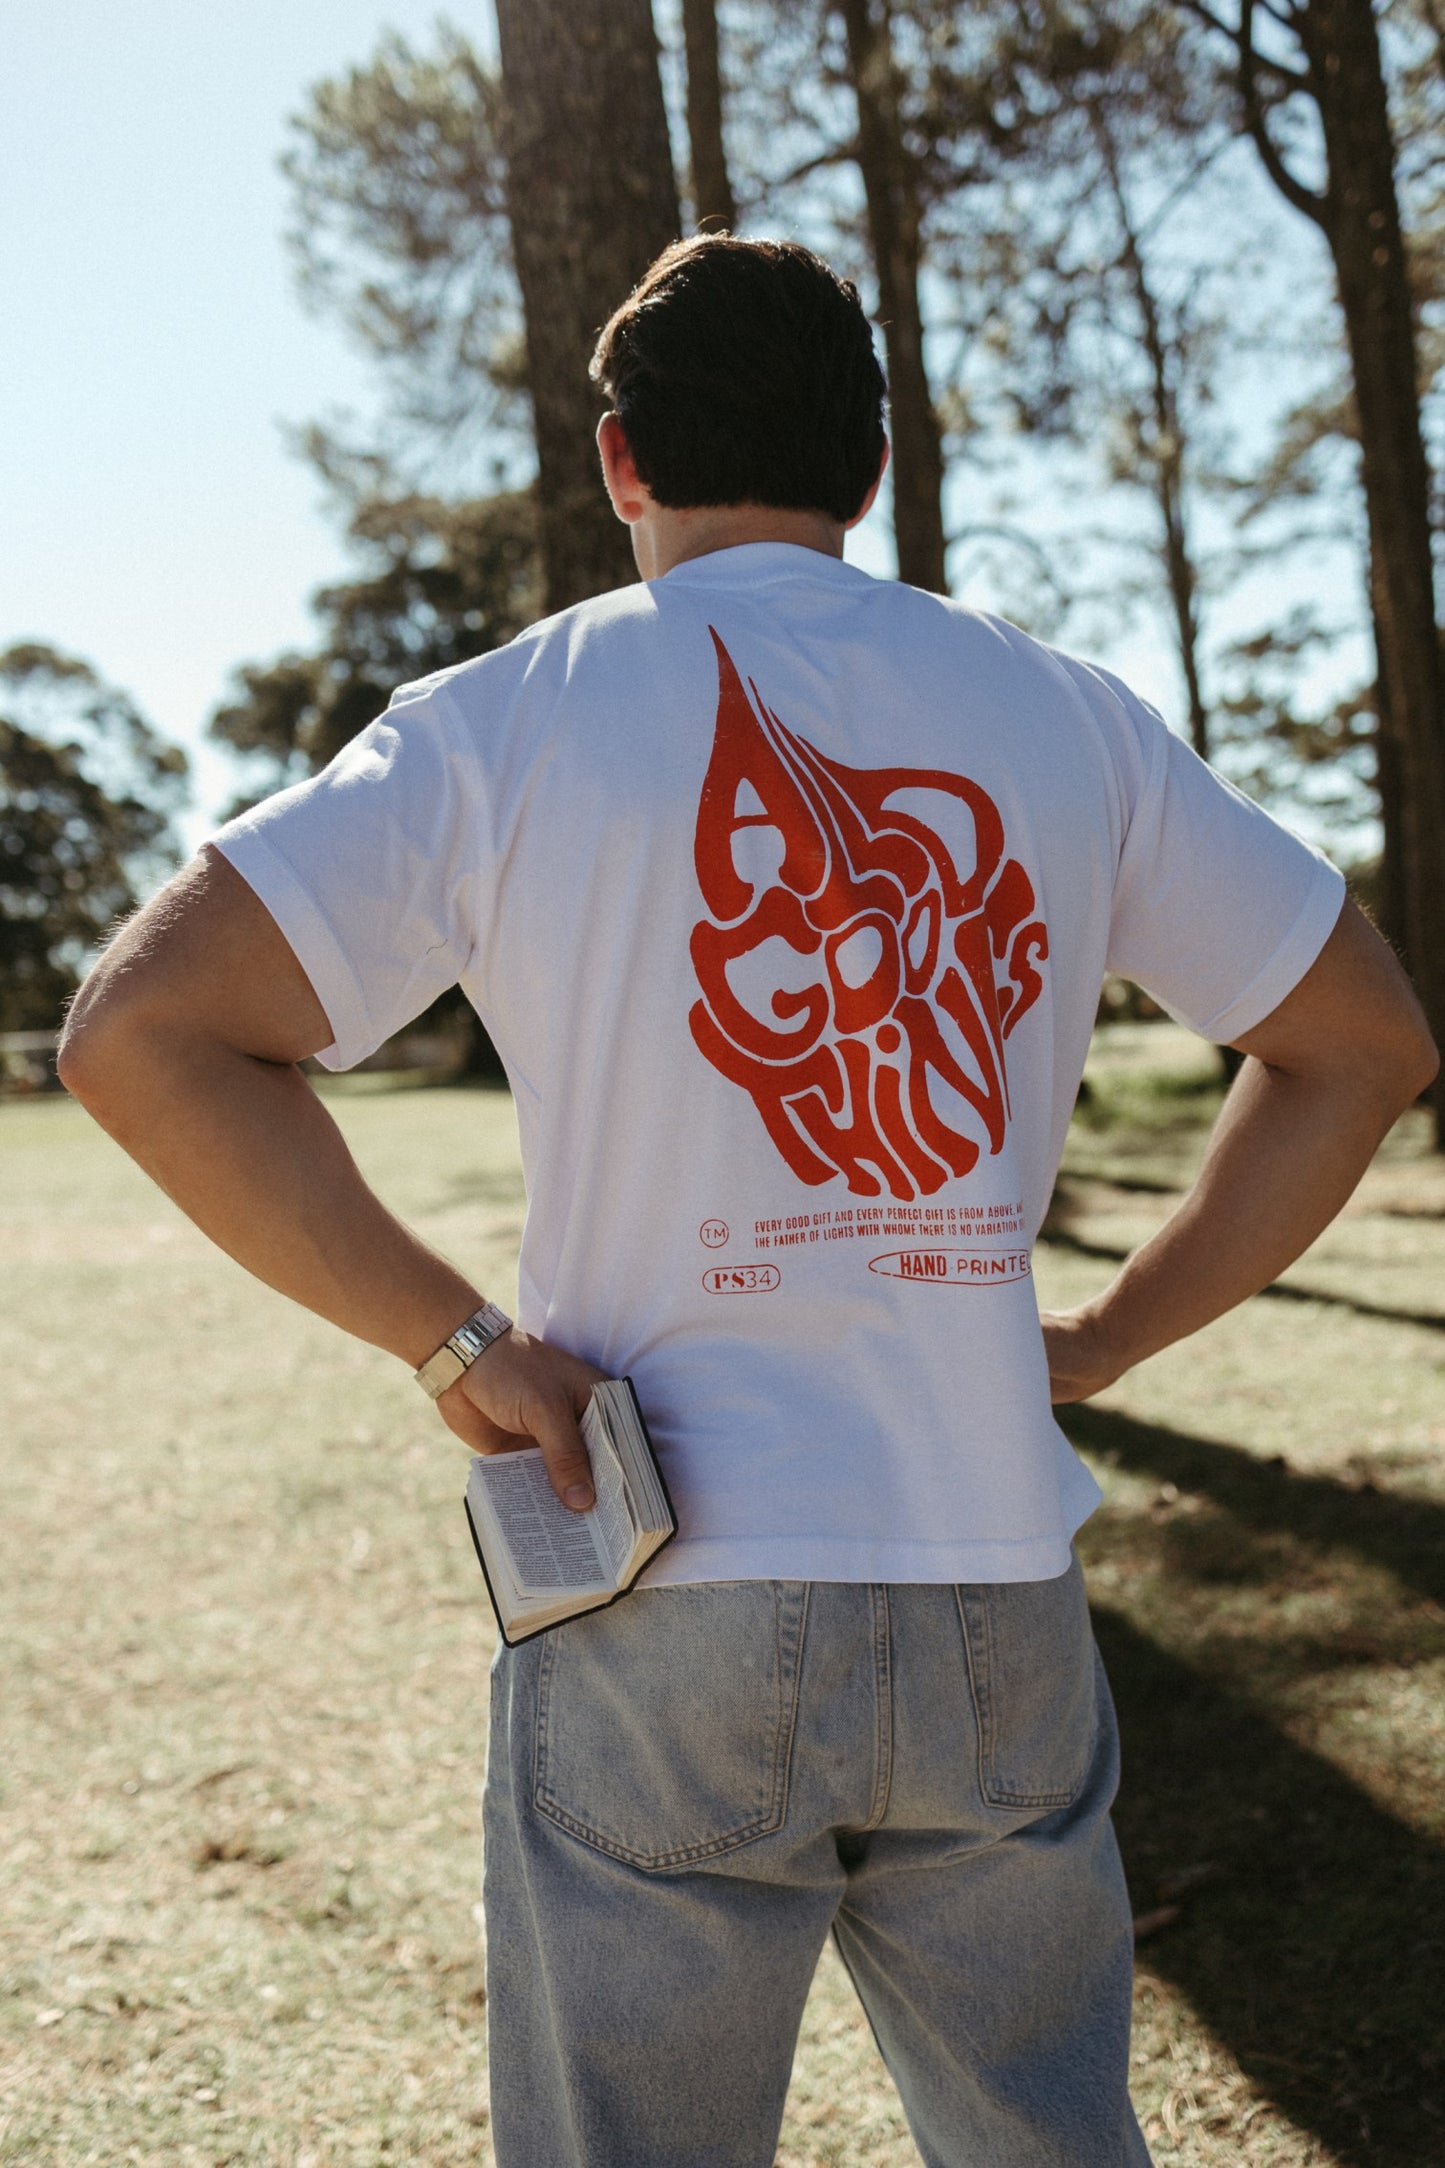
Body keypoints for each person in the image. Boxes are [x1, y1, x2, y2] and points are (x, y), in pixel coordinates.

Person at [60, 235, 1436, 2168]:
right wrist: (1111, 1334)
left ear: (621, 462)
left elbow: (135, 1035)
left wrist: (451, 1340)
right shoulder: (1067, 714)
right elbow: (1360, 1042)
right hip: (990, 1587)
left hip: (661, 1600)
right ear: (868, 469)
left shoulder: (505, 717)